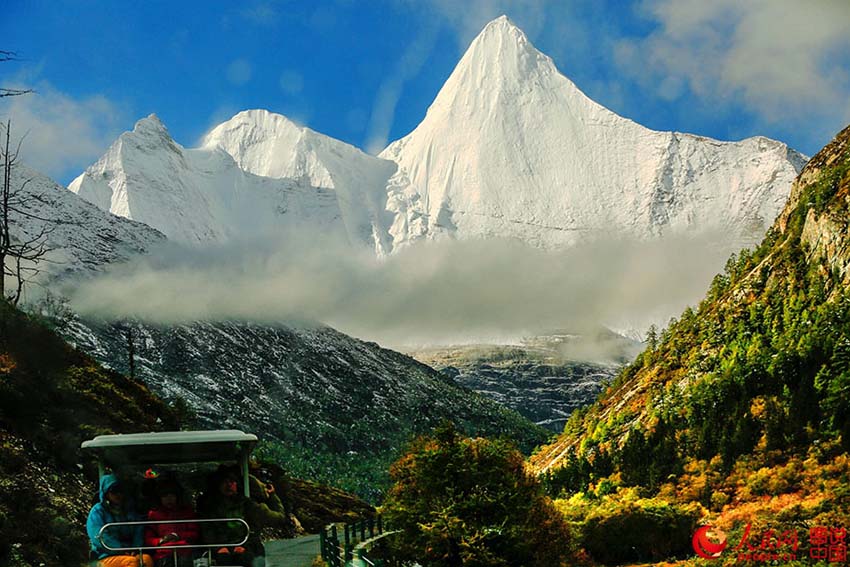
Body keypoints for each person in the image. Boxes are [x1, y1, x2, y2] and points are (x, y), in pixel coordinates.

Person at [197, 466, 288, 567]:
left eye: (232, 481)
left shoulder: (247, 504)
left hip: (246, 546)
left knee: (248, 558)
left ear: (237, 484)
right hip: (217, 549)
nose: (229, 485)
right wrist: (218, 547)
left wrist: (272, 496)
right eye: (225, 481)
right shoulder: (208, 506)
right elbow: (206, 529)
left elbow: (277, 517)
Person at [86, 474, 154, 567]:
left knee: (146, 560)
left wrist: (135, 548)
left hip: (129, 552)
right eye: (114, 491)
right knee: (131, 563)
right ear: (106, 492)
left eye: (121, 491)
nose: (118, 495)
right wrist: (120, 549)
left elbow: (138, 530)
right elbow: (99, 536)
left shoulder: (128, 509)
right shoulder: (98, 511)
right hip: (105, 554)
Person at [144, 477, 199, 567]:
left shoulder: (187, 512)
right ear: (160, 498)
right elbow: (148, 538)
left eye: (172, 495)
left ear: (177, 497)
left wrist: (177, 536)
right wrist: (161, 540)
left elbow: (194, 533)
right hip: (163, 553)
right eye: (165, 496)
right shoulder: (154, 514)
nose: (169, 499)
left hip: (185, 551)